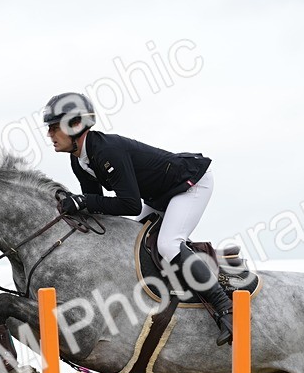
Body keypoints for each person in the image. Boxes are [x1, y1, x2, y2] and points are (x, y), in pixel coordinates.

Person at [43, 91, 234, 344]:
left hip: (190, 185)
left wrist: (84, 201)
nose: (49, 135)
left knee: (168, 244)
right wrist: (77, 205)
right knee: (130, 244)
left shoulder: (107, 150)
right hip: (160, 195)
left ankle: (225, 309)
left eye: (54, 128)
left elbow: (130, 205)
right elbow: (97, 205)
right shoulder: (79, 161)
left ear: (75, 125)